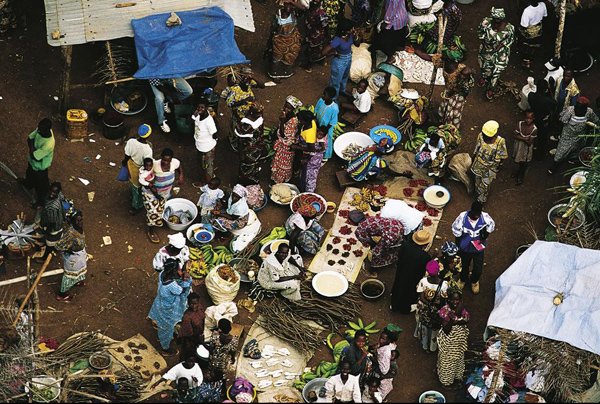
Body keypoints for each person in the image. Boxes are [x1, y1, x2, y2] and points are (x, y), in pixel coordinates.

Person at [148, 257, 192, 354]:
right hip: (167, 309)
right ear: (173, 271)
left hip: (160, 302)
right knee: (166, 329)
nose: (180, 271)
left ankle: (156, 322)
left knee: (158, 314)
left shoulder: (162, 274)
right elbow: (182, 290)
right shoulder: (172, 285)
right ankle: (165, 347)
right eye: (179, 269)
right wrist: (187, 280)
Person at [452, 201, 495, 295]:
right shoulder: (462, 217)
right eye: (474, 214)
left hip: (478, 247)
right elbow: (457, 233)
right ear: (470, 210)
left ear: (481, 212)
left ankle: (474, 281)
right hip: (465, 247)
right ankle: (463, 279)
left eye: (478, 214)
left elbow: (491, 226)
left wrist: (485, 235)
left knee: (478, 268)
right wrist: (458, 248)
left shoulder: (485, 217)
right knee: (464, 265)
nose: (476, 216)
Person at [548, 97, 600, 175]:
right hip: (567, 136)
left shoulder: (589, 112)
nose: (578, 109)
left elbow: (596, 120)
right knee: (560, 152)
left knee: (576, 149)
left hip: (579, 137)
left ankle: (571, 158)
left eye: (581, 108)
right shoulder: (570, 110)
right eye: (577, 107)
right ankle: (554, 166)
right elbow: (563, 120)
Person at [390, 229, 432, 314]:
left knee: (398, 284)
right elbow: (424, 268)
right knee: (408, 291)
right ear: (425, 244)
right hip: (413, 276)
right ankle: (404, 309)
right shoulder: (425, 256)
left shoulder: (405, 246)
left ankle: (393, 304)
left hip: (401, 270)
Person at [477, 7, 515, 100]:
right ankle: (484, 78)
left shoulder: (509, 29)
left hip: (500, 54)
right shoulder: (486, 23)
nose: (497, 22)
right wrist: (485, 44)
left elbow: (508, 41)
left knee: (496, 72)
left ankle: (491, 88)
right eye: (495, 20)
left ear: (503, 19)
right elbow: (480, 33)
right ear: (492, 18)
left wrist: (496, 49)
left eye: (499, 20)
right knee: (484, 66)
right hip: (486, 51)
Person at [436, 289, 470, 387]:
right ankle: (446, 382)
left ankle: (457, 376)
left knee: (458, 358)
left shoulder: (461, 308)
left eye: (457, 300)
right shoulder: (444, 311)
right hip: (449, 342)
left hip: (459, 341)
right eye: (453, 299)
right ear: (448, 300)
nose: (455, 302)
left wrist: (459, 320)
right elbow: (446, 330)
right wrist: (454, 319)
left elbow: (467, 319)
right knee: (448, 361)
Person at [414, 260, 448, 353]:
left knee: (424, 326)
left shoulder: (423, 281)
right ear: (438, 271)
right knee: (434, 329)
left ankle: (425, 345)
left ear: (428, 272)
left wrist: (428, 304)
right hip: (436, 311)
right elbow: (443, 300)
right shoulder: (444, 284)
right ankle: (432, 347)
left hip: (424, 308)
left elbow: (421, 296)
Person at [470, 120, 508, 204]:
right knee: (477, 181)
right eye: (484, 135)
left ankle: (481, 201)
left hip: (490, 169)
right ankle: (477, 194)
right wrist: (473, 160)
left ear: (495, 134)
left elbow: (503, 155)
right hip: (478, 165)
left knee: (485, 185)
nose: (485, 137)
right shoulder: (480, 136)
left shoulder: (500, 142)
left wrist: (500, 165)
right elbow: (476, 149)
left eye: (487, 136)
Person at [19, 118, 54, 207]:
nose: (38, 131)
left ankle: (40, 202)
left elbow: (35, 157)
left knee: (41, 187)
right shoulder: (40, 129)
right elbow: (29, 138)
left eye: (40, 130)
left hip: (40, 168)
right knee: (29, 173)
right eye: (38, 128)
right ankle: (28, 184)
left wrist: (32, 148)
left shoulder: (49, 144)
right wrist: (32, 149)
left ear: (47, 130)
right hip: (32, 164)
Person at [54, 210, 87, 302]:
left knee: (80, 269)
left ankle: (77, 281)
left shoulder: (78, 228)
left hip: (80, 255)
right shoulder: (70, 234)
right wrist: (68, 250)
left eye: (81, 220)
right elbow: (58, 245)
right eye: (77, 220)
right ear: (72, 222)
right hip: (73, 258)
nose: (80, 222)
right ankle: (62, 294)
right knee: (70, 275)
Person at [266, 1, 302, 79]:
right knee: (277, 57)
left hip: (292, 40)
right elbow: (273, 28)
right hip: (280, 40)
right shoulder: (278, 14)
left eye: (292, 5)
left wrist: (292, 2)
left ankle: (286, 72)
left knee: (290, 55)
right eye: (287, 4)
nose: (289, 7)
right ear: (284, 4)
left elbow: (304, 7)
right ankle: (274, 75)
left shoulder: (294, 14)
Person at [122, 124, 153, 215]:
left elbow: (127, 155)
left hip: (131, 164)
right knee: (137, 188)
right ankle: (136, 206)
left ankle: (134, 197)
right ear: (148, 136)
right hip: (139, 169)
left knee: (132, 183)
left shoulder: (131, 141)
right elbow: (147, 163)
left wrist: (124, 162)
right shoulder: (148, 149)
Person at [271, 96, 302, 184]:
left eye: (289, 108)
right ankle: (275, 178)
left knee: (283, 164)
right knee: (278, 162)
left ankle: (281, 181)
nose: (286, 108)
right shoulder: (285, 114)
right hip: (281, 144)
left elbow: (283, 134)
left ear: (293, 109)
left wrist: (282, 121)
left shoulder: (293, 121)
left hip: (287, 146)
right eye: (285, 106)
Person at [321, 19, 355, 99]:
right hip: (340, 61)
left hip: (349, 58)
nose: (353, 29)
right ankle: (333, 98)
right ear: (345, 31)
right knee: (335, 82)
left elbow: (357, 44)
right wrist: (334, 53)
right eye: (351, 28)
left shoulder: (350, 35)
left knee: (345, 76)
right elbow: (323, 52)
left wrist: (356, 36)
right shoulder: (337, 40)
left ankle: (342, 91)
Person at [528, 79, 557, 160]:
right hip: (544, 121)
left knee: (533, 133)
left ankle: (531, 147)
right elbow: (554, 104)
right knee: (542, 138)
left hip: (534, 118)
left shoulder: (531, 96)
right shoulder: (549, 101)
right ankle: (540, 154)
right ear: (546, 89)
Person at [39, 182, 68, 261]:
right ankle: (55, 247)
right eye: (51, 191)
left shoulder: (51, 207)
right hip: (60, 221)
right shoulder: (59, 195)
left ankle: (45, 257)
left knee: (49, 243)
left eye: (54, 192)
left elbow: (52, 222)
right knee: (55, 238)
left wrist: (47, 230)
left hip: (54, 227)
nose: (52, 193)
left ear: (57, 192)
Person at [192, 99, 218, 183]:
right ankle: (206, 176)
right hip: (199, 144)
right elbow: (193, 119)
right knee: (202, 163)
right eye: (199, 107)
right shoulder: (197, 114)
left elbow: (214, 134)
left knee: (208, 166)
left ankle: (208, 182)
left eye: (202, 107)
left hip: (207, 146)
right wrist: (195, 115)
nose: (200, 109)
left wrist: (213, 144)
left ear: (206, 108)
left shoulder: (209, 121)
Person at [139, 157, 164, 243]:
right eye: (147, 166)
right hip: (149, 193)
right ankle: (151, 231)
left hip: (153, 189)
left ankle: (158, 220)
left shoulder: (150, 169)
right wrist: (157, 195)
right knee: (152, 211)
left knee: (158, 207)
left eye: (151, 165)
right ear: (144, 166)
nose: (149, 167)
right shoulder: (143, 176)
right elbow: (151, 188)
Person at [292, 110, 317, 189]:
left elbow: (312, 149)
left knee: (304, 172)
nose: (299, 121)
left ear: (305, 121)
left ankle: (302, 187)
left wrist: (297, 147)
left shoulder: (309, 134)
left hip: (306, 153)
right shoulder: (311, 122)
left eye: (300, 120)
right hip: (302, 148)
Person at [519, 0, 547, 69]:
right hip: (539, 29)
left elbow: (524, 25)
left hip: (530, 31)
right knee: (534, 45)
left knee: (525, 45)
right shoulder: (543, 5)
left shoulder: (527, 11)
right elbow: (545, 16)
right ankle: (532, 57)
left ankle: (526, 61)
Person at [371, 328, 398, 400]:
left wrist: (374, 362)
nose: (381, 340)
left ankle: (379, 399)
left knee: (381, 389)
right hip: (381, 367)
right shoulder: (384, 345)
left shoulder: (386, 354)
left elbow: (384, 370)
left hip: (382, 372)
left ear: (389, 341)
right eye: (380, 338)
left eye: (384, 339)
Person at [302, 0, 329, 72]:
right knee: (319, 48)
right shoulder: (320, 12)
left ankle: (309, 66)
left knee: (312, 50)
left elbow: (324, 25)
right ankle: (321, 61)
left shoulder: (318, 13)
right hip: (317, 34)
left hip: (315, 34)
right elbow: (325, 25)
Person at [314, 86, 339, 161]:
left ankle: (326, 156)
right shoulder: (321, 101)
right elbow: (316, 109)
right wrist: (317, 123)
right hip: (318, 124)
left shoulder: (334, 108)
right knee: (318, 139)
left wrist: (325, 130)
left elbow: (333, 121)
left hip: (327, 128)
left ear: (331, 97)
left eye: (325, 95)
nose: (323, 96)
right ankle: (317, 152)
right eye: (323, 93)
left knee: (327, 141)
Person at [512, 110, 538, 185]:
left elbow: (530, 143)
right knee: (519, 160)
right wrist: (524, 139)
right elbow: (514, 135)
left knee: (524, 162)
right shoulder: (520, 124)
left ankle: (520, 175)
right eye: (527, 118)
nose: (528, 120)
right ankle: (518, 172)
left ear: (533, 119)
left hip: (526, 149)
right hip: (519, 146)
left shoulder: (534, 129)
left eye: (530, 118)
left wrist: (519, 137)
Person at [178, 293, 205, 361]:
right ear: (188, 303)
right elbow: (188, 334)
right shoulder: (187, 317)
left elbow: (203, 319)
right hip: (190, 338)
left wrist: (202, 332)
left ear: (198, 302)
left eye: (195, 303)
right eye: (191, 304)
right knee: (188, 352)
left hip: (199, 334)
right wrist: (199, 341)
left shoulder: (200, 308)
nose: (193, 306)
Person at [301, 126, 328, 192]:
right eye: (318, 133)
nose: (319, 136)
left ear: (324, 136)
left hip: (314, 161)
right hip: (315, 160)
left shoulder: (321, 142)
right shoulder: (317, 138)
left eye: (321, 135)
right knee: (309, 174)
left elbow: (313, 152)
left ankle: (310, 191)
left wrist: (307, 159)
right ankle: (307, 188)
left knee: (311, 176)